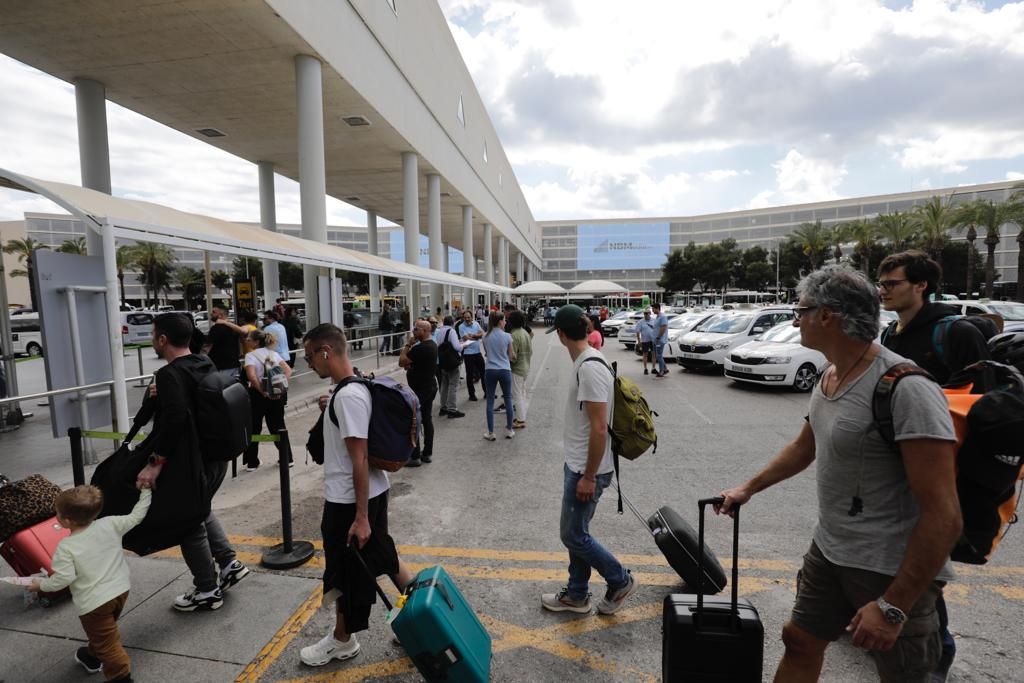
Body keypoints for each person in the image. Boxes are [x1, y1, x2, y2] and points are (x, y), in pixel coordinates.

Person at [716, 265, 961, 682]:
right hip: (830, 551)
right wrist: (748, 489)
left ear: (827, 316)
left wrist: (894, 605)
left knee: (905, 674)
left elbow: (944, 514)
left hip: (890, 566)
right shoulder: (829, 375)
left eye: (802, 310)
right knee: (799, 640)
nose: (795, 319)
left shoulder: (906, 387)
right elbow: (804, 448)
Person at [877, 249, 991, 678]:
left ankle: (935, 654)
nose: (883, 291)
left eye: (892, 284)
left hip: (943, 465)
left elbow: (983, 405)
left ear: (921, 284)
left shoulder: (955, 332)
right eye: (881, 284)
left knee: (924, 560)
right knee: (895, 555)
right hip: (894, 467)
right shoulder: (891, 335)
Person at [298, 324, 416, 667]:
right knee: (385, 557)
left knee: (343, 572)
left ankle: (342, 640)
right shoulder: (351, 387)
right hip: (373, 493)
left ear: (325, 352)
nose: (309, 365)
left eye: (310, 357)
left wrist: (361, 517)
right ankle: (421, 616)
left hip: (350, 501)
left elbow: (360, 457)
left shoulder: (348, 396)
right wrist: (330, 405)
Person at [135, 313, 250, 612]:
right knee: (200, 510)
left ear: (163, 339)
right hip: (216, 457)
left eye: (152, 335)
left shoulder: (169, 374)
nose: (152, 340)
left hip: (192, 461)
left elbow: (174, 421)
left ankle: (207, 590)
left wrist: (155, 463)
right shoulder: (203, 362)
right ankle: (229, 563)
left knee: (187, 524)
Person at [541, 304, 637, 615]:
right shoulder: (586, 362)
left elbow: (599, 428)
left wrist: (588, 476)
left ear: (561, 334)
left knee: (572, 534)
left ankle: (619, 580)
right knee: (578, 533)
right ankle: (578, 594)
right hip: (580, 464)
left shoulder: (590, 367)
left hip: (587, 469)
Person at [31, 485, 152, 683]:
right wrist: (146, 491)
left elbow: (63, 579)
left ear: (66, 521)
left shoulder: (66, 547)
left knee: (109, 644)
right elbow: (136, 516)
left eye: (58, 514)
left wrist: (40, 585)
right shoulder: (110, 523)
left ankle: (121, 678)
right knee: (104, 631)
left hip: (94, 603)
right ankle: (91, 656)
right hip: (120, 591)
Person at [242, 328, 294, 472]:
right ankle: (287, 458)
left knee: (255, 427)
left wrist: (263, 391)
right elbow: (288, 371)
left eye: (249, 339)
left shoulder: (250, 356)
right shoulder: (274, 354)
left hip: (258, 396)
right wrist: (279, 387)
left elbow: (252, 377)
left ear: (256, 341)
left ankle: (252, 462)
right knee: (278, 426)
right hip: (277, 395)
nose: (247, 341)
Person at [399, 320, 438, 466]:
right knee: (426, 419)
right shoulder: (431, 345)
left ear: (425, 331)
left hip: (420, 390)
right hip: (429, 387)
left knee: (414, 420)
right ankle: (427, 453)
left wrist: (408, 344)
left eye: (416, 329)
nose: (413, 332)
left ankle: (415, 456)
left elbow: (402, 361)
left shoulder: (420, 348)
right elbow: (411, 363)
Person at [481, 311, 516, 441]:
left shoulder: (485, 336)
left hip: (490, 370)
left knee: (490, 401)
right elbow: (511, 355)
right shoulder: (507, 336)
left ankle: (490, 432)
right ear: (500, 321)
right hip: (504, 369)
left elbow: (487, 354)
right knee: (508, 399)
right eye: (504, 320)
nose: (505, 322)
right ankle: (509, 429)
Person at [436, 315, 465, 419]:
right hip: (452, 362)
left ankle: (443, 407)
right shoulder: (451, 331)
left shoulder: (439, 331)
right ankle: (452, 409)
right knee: (453, 385)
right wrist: (463, 346)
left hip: (443, 362)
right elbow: (457, 347)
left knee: (444, 385)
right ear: (453, 323)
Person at [507, 311, 532, 429]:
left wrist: (506, 358)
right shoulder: (525, 333)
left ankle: (521, 420)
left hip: (517, 368)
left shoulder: (513, 335)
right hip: (526, 366)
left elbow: (513, 356)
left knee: (517, 394)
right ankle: (522, 416)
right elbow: (530, 351)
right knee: (522, 392)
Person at [203, 306, 241, 371]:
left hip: (220, 367)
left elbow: (207, 346)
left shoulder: (216, 328)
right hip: (234, 365)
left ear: (220, 315)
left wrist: (200, 359)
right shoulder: (234, 327)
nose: (211, 314)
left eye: (214, 312)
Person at [459, 309, 485, 402]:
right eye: (465, 317)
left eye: (469, 317)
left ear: (471, 317)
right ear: (463, 318)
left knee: (483, 373)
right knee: (470, 375)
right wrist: (477, 337)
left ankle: (487, 392)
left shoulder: (476, 324)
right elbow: (466, 338)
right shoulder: (461, 327)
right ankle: (472, 395)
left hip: (477, 352)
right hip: (468, 354)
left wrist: (473, 335)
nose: (467, 319)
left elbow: (482, 333)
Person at [651, 303, 669, 377]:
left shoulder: (662, 317)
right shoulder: (657, 317)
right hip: (656, 340)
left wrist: (658, 337)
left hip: (659, 340)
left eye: (653, 309)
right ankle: (665, 369)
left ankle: (661, 371)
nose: (652, 310)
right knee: (658, 355)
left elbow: (663, 328)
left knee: (659, 356)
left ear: (657, 308)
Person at [637, 309, 656, 375]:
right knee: (645, 355)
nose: (645, 315)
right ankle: (645, 369)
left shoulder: (654, 320)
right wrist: (639, 341)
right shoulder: (641, 322)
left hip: (653, 340)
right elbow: (638, 332)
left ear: (650, 314)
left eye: (647, 313)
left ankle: (653, 368)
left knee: (654, 354)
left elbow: (656, 329)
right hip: (645, 341)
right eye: (645, 313)